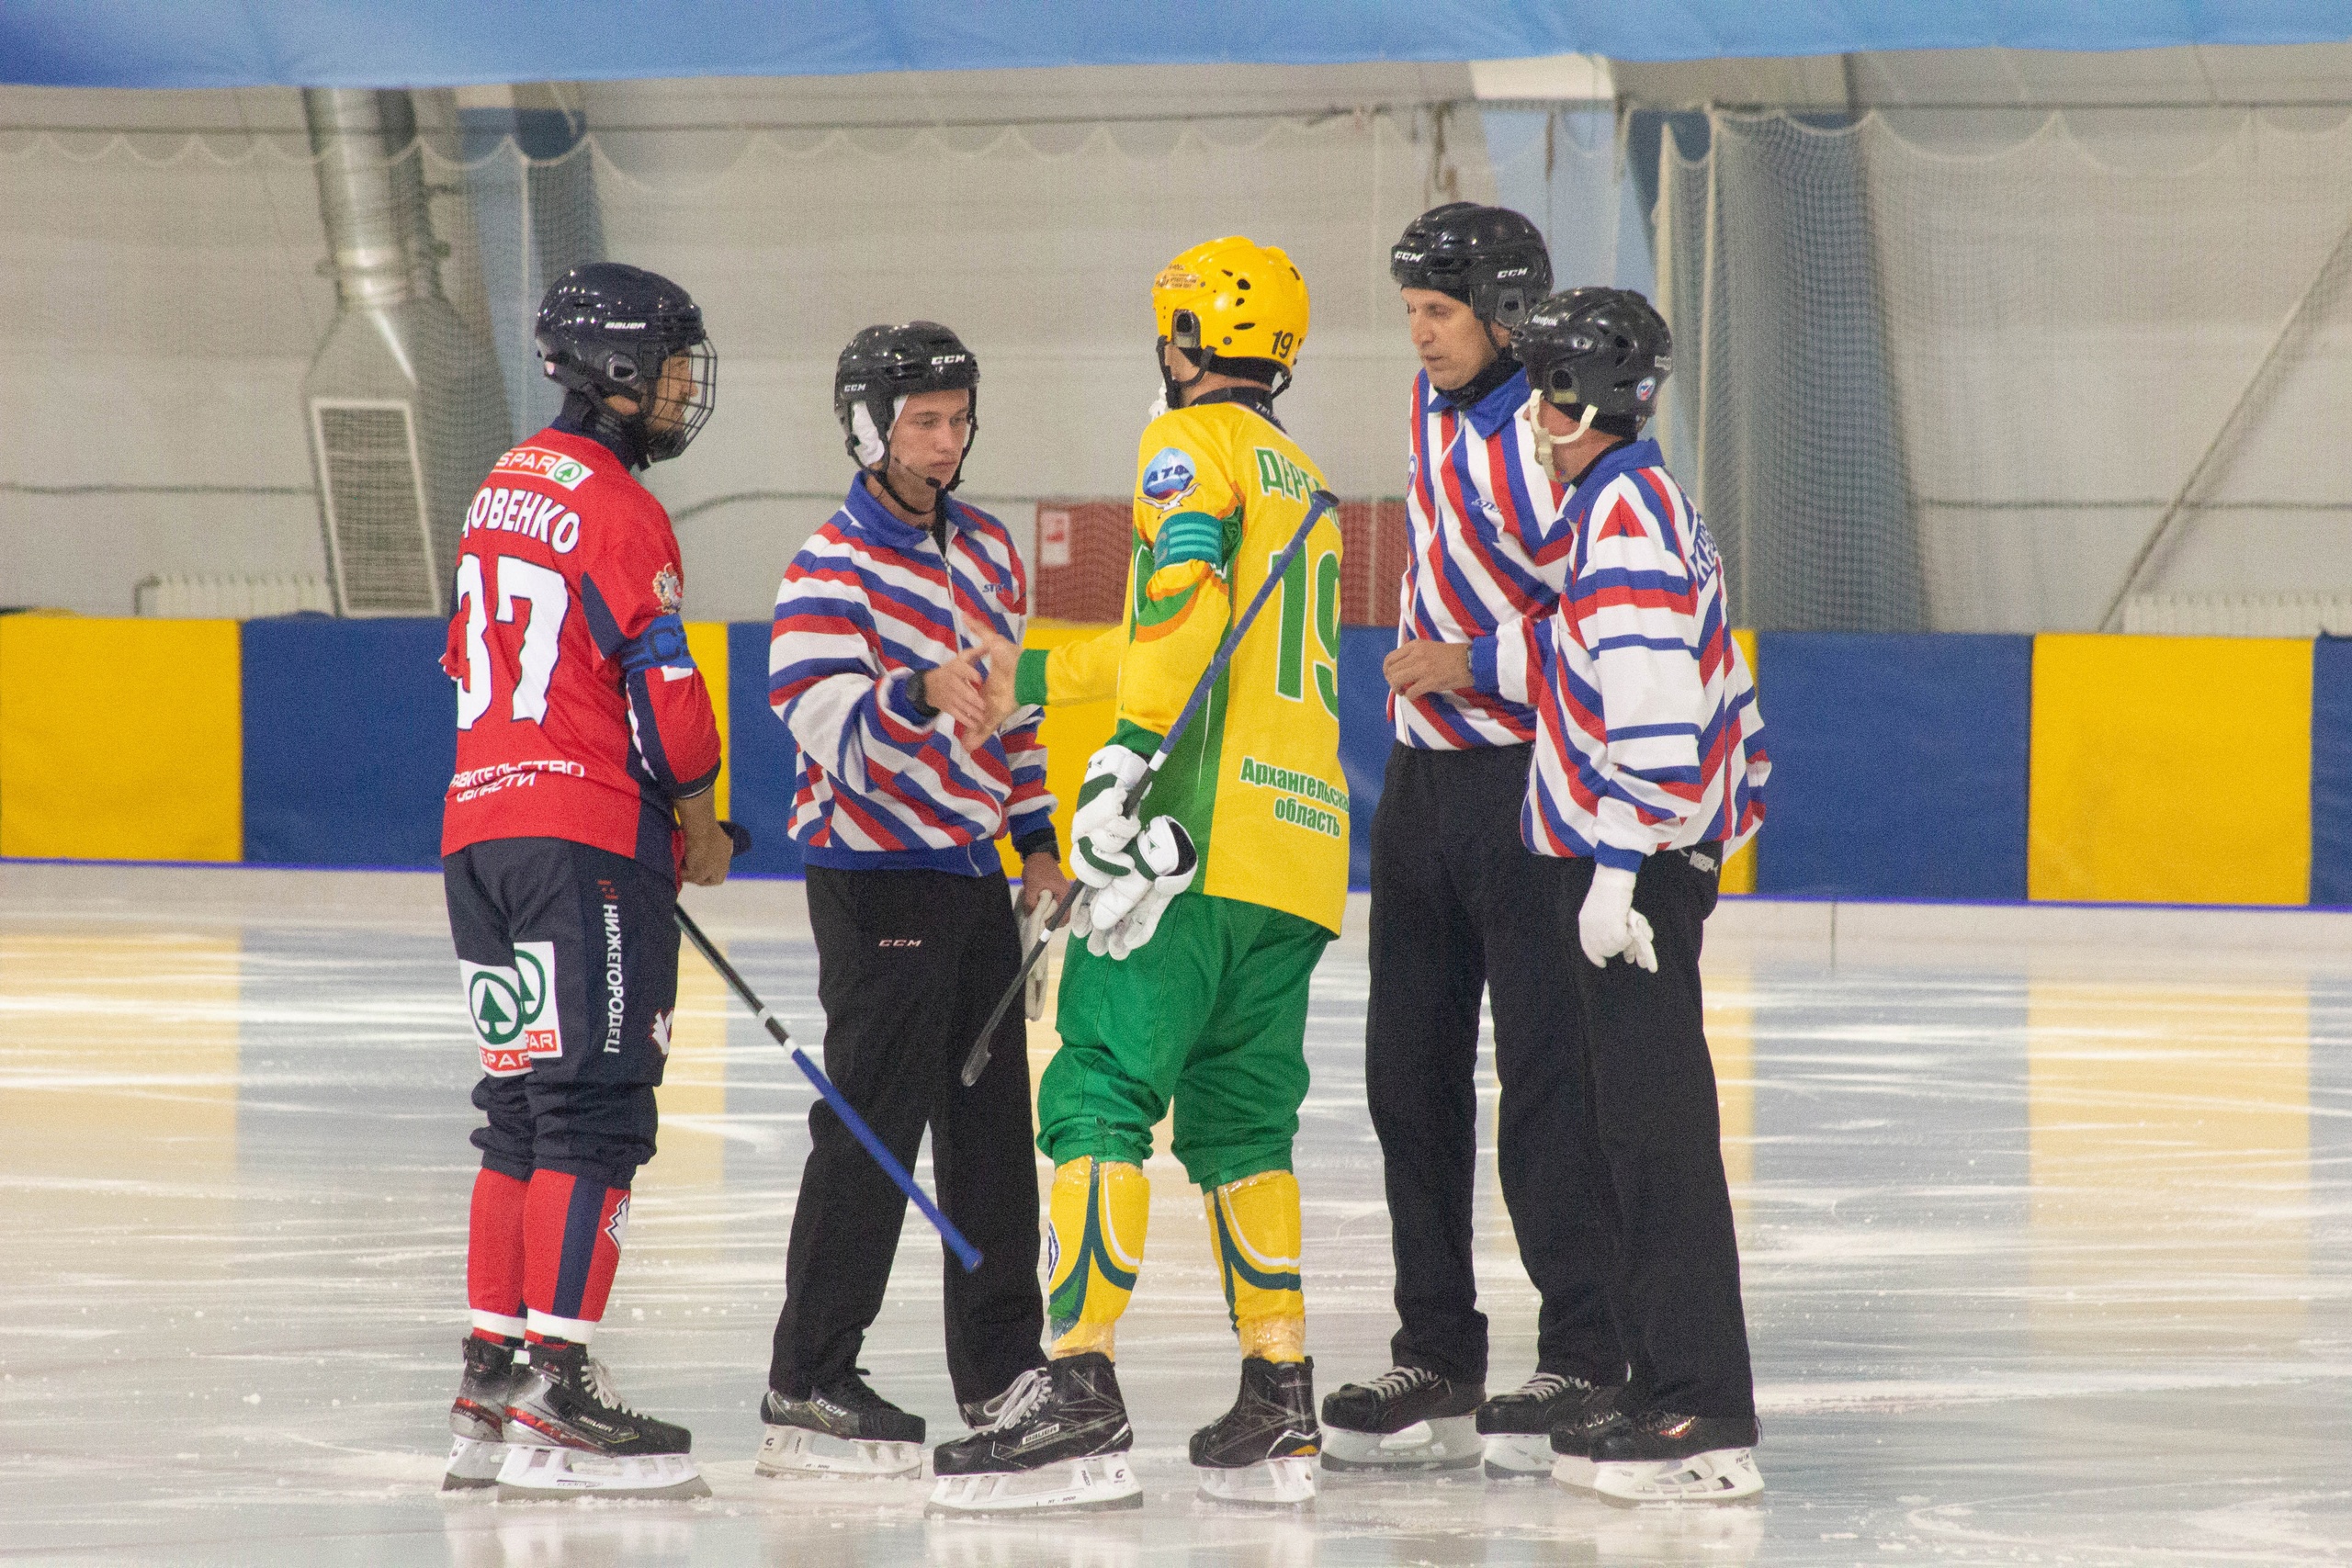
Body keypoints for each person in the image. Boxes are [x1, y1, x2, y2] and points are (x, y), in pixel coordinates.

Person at [926, 236, 1348, 1514]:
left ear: (1180, 341)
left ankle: (1078, 1382)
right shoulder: (1306, 475)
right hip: (1300, 854)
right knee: (1243, 1123)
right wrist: (1039, 673)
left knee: (1098, 1085)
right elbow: (1218, 637)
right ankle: (1282, 1397)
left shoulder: (1189, 448)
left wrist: (1113, 773)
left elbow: (1178, 625)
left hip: (1189, 844)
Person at [1319, 202, 1632, 1480]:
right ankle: (1437, 1347)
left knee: (1549, 1079)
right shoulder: (1429, 402)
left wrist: (1475, 657)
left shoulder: (1555, 445)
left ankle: (1584, 1347)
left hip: (1524, 783)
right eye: (1410, 315)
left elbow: (1605, 618)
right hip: (1423, 787)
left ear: (1506, 313)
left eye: (1439, 314)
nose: (1421, 338)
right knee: (1409, 1073)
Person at [438, 262, 729, 1500]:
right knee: (595, 1115)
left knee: (517, 1112)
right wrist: (701, 819)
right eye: (668, 370)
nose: (680, 393)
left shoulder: (499, 484)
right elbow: (667, 696)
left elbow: (461, 654)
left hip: (479, 836)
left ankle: (491, 1377)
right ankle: (560, 1380)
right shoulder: (617, 508)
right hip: (583, 847)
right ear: (614, 373)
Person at [756, 321, 1066, 1481]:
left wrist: (1033, 839)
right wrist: (916, 692)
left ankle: (1000, 1374)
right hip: (873, 873)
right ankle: (810, 1377)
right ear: (867, 427)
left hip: (971, 876)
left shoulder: (986, 551)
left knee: (990, 1136)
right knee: (873, 1129)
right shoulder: (827, 566)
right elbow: (818, 719)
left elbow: (1016, 717)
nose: (945, 443)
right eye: (922, 422)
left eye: (957, 418)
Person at [1505, 287, 1770, 1503]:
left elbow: (1659, 725)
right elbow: (1686, 692)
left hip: (1633, 873)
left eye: (1537, 391)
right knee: (1634, 1133)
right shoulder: (1635, 506)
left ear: (1573, 400)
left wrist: (1621, 876)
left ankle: (1699, 1405)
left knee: (1656, 1140)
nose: (1527, 417)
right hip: (1653, 859)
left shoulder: (1619, 524)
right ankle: (1664, 1374)